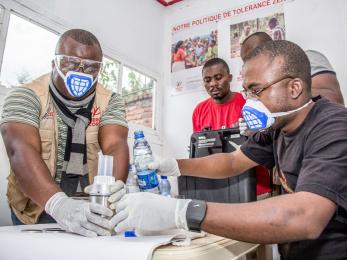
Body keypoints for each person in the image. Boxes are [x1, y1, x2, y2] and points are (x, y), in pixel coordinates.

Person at [109, 40, 347, 260]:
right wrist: (174, 165)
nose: (250, 101)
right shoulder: (278, 128)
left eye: (256, 90)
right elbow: (232, 162)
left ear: (294, 88)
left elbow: (305, 216)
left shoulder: (334, 126)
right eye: (247, 92)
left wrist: (183, 212)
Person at [0, 29, 128, 237]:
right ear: (54, 64)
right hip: (38, 203)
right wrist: (58, 204)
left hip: (89, 204)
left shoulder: (110, 101)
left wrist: (111, 193)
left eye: (90, 67)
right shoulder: (25, 95)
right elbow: (21, 149)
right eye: (70, 63)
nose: (81, 73)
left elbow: (115, 144)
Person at [241, 32, 345, 105]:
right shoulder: (259, 79)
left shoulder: (309, 58)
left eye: (255, 54)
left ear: (272, 46)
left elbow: (333, 99)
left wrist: (281, 93)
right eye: (246, 60)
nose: (250, 63)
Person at [192, 58, 245, 133]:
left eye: (218, 78)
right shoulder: (199, 110)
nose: (213, 84)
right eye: (207, 80)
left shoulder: (246, 103)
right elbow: (198, 143)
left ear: (230, 78)